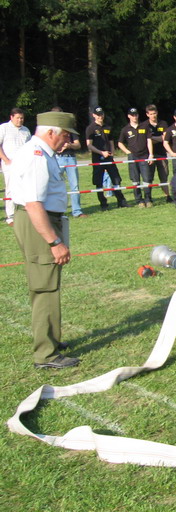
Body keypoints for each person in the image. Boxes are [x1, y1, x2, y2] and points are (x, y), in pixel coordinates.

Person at [11, 111, 81, 369]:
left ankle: (51, 339)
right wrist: (54, 242)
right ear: (51, 132)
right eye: (66, 136)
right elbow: (33, 204)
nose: (68, 142)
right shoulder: (37, 156)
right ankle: (46, 354)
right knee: (45, 287)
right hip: (39, 222)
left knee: (47, 282)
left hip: (40, 221)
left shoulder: (40, 153)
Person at [85, 107, 129, 210]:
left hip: (109, 158)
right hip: (97, 158)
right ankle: (103, 204)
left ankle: (121, 201)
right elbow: (89, 145)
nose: (100, 116)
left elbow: (111, 142)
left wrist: (112, 153)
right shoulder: (90, 128)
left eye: (101, 114)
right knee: (99, 182)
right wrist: (101, 152)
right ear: (94, 115)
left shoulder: (108, 127)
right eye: (98, 115)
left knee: (116, 179)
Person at [0, 108, 32, 225]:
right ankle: (10, 216)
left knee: (25, 188)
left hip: (24, 165)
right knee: (10, 189)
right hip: (9, 165)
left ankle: (24, 213)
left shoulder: (26, 130)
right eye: (18, 118)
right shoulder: (4, 128)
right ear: (11, 117)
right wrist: (6, 160)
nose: (20, 120)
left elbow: (30, 147)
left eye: (22, 118)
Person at [118, 107, 155, 207]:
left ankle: (148, 199)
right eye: (132, 115)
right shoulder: (125, 129)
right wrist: (128, 152)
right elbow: (120, 143)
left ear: (138, 115)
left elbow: (149, 140)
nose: (134, 117)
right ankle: (139, 200)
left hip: (144, 156)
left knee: (147, 179)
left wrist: (151, 154)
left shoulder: (145, 126)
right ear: (129, 116)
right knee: (135, 180)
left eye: (136, 115)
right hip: (133, 157)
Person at [53, 110, 87, 219]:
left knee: (75, 185)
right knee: (56, 185)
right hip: (57, 159)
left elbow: (78, 145)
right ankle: (57, 211)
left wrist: (69, 145)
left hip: (70, 158)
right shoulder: (52, 131)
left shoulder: (70, 130)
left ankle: (77, 211)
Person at [144, 105, 172, 203]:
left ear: (157, 113)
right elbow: (145, 141)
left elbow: (165, 138)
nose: (153, 116)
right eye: (151, 114)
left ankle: (168, 196)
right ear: (147, 114)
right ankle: (149, 198)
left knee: (164, 176)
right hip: (149, 155)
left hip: (162, 154)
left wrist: (151, 138)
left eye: (154, 113)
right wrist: (158, 138)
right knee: (149, 177)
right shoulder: (144, 125)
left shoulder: (163, 123)